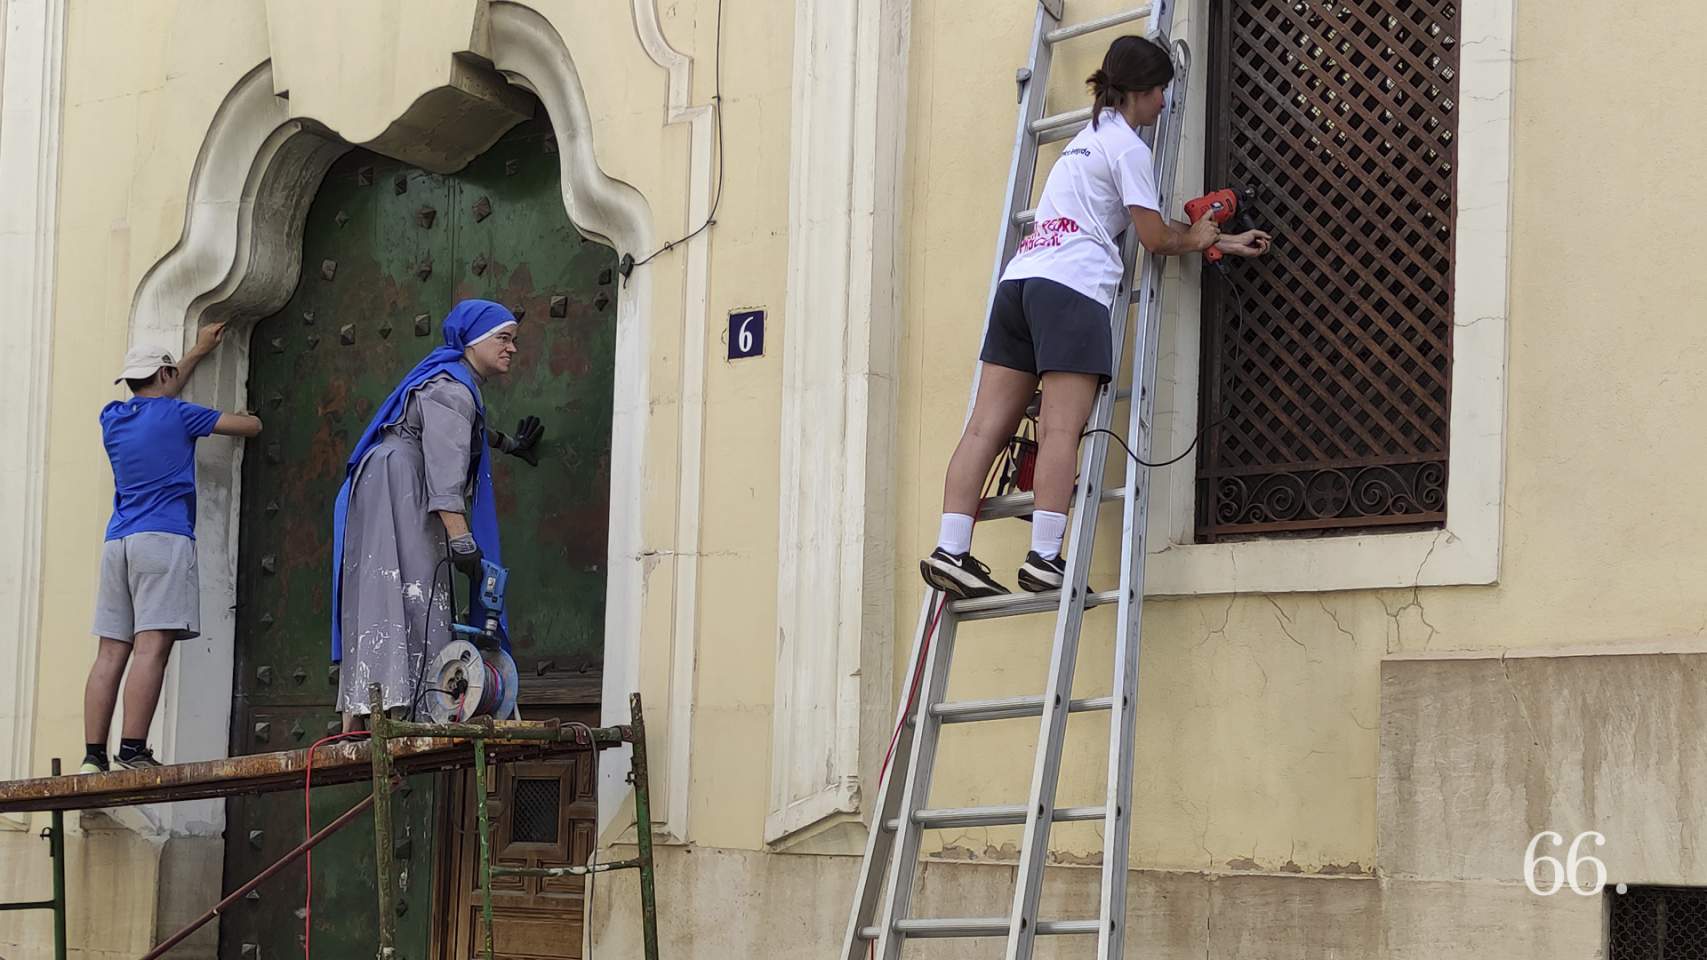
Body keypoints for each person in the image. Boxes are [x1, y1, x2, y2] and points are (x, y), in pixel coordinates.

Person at [920, 35, 1271, 599]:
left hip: (1022, 283)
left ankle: (951, 549)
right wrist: (1202, 235)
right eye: (1160, 92)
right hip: (1073, 290)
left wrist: (1219, 241)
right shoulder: (1130, 148)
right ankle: (1043, 558)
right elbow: (1155, 239)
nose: (1163, 104)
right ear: (1139, 91)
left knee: (985, 426)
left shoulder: (1082, 142)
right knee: (1062, 429)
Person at [331, 299, 544, 730]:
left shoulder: (447, 380)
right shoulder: (453, 387)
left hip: (387, 482)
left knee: (380, 593)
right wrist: (461, 539)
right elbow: (446, 468)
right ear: (473, 342)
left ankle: (362, 712)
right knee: (414, 589)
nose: (512, 349)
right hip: (402, 488)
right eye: (503, 339)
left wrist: (507, 444)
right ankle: (396, 712)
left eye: (514, 340)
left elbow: (460, 430)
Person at [82, 323, 263, 774]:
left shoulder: (112, 418)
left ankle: (93, 756)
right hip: (162, 542)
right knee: (151, 647)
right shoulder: (182, 416)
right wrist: (250, 414)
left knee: (110, 652)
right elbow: (248, 427)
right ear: (164, 375)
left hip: (117, 543)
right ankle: (133, 749)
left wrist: (198, 350)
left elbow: (160, 391)